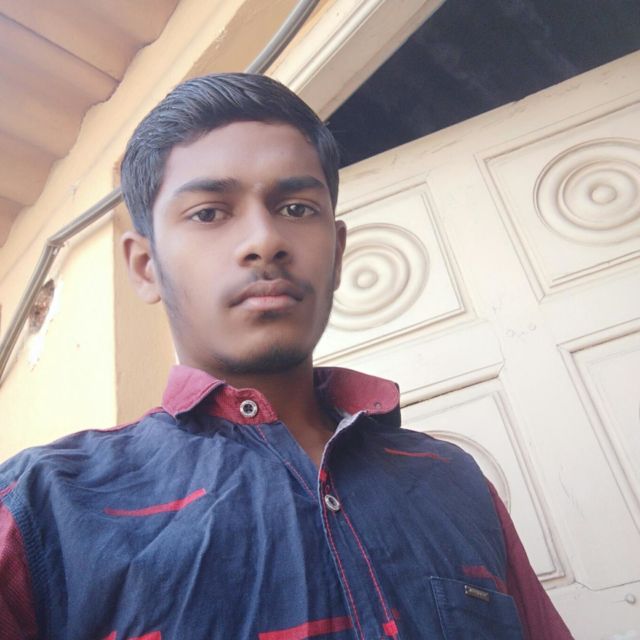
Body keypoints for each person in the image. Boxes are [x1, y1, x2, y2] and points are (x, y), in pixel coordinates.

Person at [0, 73, 573, 640]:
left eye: (296, 208)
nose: (265, 240)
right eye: (209, 213)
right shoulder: (40, 507)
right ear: (145, 266)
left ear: (338, 253)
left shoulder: (452, 479)